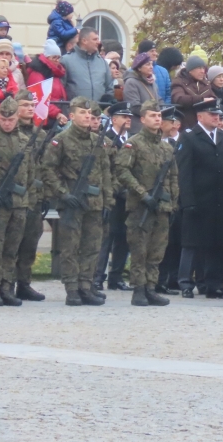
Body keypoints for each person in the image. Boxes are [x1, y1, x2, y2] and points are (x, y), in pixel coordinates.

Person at [41, 96, 113, 306]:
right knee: (70, 247)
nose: (87, 116)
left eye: (89, 113)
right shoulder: (61, 140)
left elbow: (105, 172)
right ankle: (72, 289)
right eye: (82, 112)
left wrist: (107, 201)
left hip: (94, 202)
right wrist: (63, 194)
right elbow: (48, 169)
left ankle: (85, 286)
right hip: (72, 201)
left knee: (92, 246)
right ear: (72, 116)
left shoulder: (97, 141)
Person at [114, 100, 179, 308]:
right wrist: (142, 194)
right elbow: (122, 171)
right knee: (140, 250)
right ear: (142, 119)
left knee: (157, 250)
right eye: (152, 115)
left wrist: (173, 202)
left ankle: (151, 287)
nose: (157, 119)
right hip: (140, 206)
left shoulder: (166, 147)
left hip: (162, 207)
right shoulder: (134, 143)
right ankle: (139, 289)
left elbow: (173, 177)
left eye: (159, 116)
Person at [175, 100, 223, 299]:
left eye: (218, 115)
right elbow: (184, 171)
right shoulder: (189, 137)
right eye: (212, 114)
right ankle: (185, 283)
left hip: (219, 199)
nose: (216, 118)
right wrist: (187, 200)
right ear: (200, 116)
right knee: (192, 243)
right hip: (198, 199)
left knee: (218, 243)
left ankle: (214, 283)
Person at [0, 97, 35, 307]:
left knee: (12, 247)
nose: (7, 123)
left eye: (10, 119)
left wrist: (30, 198)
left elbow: (30, 172)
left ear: (17, 117)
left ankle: (6, 288)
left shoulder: (25, 140)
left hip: (19, 202)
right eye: (3, 119)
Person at [92, 102, 133, 293]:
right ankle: (98, 277)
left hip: (129, 195)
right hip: (112, 194)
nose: (128, 120)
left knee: (124, 237)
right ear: (114, 119)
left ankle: (116, 277)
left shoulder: (133, 139)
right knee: (106, 237)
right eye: (124, 117)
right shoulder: (105, 138)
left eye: (130, 117)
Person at [12, 92, 48, 302]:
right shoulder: (8, 133)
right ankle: (4, 284)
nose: (29, 108)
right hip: (13, 197)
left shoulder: (40, 135)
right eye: (25, 105)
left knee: (30, 241)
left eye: (32, 105)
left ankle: (24, 284)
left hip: (35, 197)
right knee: (9, 242)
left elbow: (46, 166)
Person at [60, 27, 113, 102]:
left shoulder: (102, 62)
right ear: (84, 41)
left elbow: (109, 88)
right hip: (74, 109)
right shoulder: (66, 61)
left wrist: (106, 106)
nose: (98, 42)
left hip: (98, 109)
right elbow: (60, 89)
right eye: (95, 39)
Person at [24, 40, 69, 127]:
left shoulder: (56, 73)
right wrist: (56, 113)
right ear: (47, 57)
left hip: (56, 114)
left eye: (58, 57)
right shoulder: (38, 73)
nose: (57, 60)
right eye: (54, 57)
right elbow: (39, 98)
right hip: (46, 118)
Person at [171, 55, 213, 123]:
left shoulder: (206, 84)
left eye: (203, 68)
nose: (202, 71)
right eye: (199, 68)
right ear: (190, 70)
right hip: (186, 122)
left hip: (205, 123)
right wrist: (201, 100)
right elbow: (179, 99)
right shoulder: (178, 82)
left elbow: (214, 98)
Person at [137, 40, 172, 104]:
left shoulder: (163, 71)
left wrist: (164, 107)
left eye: (155, 51)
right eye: (152, 51)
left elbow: (169, 94)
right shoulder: (133, 72)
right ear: (143, 53)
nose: (155, 53)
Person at [0, 56, 18, 127]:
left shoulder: (12, 84)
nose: (5, 70)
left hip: (10, 124)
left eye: (6, 68)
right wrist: (1, 95)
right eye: (2, 68)